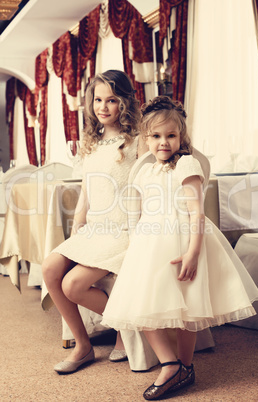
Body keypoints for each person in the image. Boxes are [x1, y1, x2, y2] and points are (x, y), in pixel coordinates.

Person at [101, 96, 258, 400]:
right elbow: (138, 212)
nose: (164, 142)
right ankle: (170, 363)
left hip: (183, 239)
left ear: (181, 136)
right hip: (150, 244)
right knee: (140, 307)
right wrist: (135, 245)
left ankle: (185, 366)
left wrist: (193, 252)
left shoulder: (186, 164)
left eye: (171, 135)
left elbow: (197, 213)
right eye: (156, 136)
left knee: (188, 307)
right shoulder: (144, 170)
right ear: (145, 139)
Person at [42, 69, 146, 373]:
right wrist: (77, 226)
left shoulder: (136, 141)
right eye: (98, 100)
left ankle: (123, 328)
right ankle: (83, 345)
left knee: (73, 285)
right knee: (51, 267)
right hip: (94, 230)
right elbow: (88, 189)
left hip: (122, 229)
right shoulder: (92, 141)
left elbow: (145, 186)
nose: (103, 106)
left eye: (111, 100)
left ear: (124, 102)